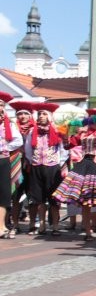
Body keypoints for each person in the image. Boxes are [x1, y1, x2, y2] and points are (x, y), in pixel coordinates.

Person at [54, 108, 96, 241]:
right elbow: (67, 146)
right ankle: (88, 231)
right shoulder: (83, 133)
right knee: (85, 200)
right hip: (85, 164)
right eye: (94, 121)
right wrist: (65, 134)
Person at [24, 102, 66, 236]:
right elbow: (28, 149)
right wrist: (32, 160)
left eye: (44, 114)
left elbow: (63, 150)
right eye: (39, 114)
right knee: (39, 198)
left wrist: (60, 164)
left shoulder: (57, 130)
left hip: (52, 168)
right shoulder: (33, 131)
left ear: (50, 116)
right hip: (36, 167)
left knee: (53, 199)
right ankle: (41, 225)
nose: (41, 116)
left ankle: (55, 225)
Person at [8, 101, 34, 235]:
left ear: (30, 116)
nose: (22, 116)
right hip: (15, 163)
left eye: (25, 113)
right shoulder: (12, 128)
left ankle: (33, 224)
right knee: (16, 195)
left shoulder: (35, 129)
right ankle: (15, 224)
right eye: (20, 114)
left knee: (32, 195)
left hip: (31, 165)